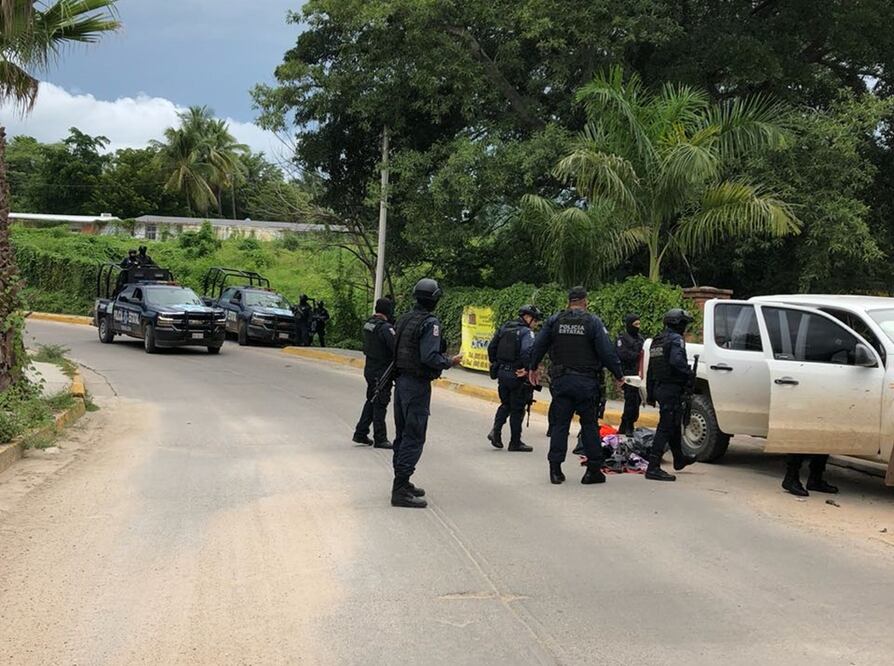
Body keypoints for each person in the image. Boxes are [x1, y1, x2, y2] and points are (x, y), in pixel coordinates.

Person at [529, 286, 623, 486]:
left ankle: (555, 470)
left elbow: (538, 345)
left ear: (568, 301)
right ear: (585, 301)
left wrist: (532, 367)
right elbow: (606, 352)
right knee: (589, 425)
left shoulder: (555, 320)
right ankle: (593, 471)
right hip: (586, 383)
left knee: (560, 425)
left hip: (562, 382)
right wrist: (618, 375)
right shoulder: (593, 322)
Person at [391, 278, 463, 508]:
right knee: (414, 435)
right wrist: (450, 361)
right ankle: (400, 488)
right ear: (435, 300)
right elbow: (429, 357)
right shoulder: (430, 322)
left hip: (401, 382)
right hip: (416, 385)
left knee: (402, 434)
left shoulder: (405, 319)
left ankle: (402, 481)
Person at [644, 308, 699, 481]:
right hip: (671, 388)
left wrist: (651, 393)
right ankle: (653, 467)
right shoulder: (676, 339)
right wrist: (688, 375)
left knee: (674, 423)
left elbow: (651, 369)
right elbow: (677, 362)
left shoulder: (657, 341)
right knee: (666, 426)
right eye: (684, 324)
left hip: (660, 388)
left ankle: (679, 458)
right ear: (679, 324)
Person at [487, 305, 542, 452]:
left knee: (505, 404)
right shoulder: (526, 332)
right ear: (528, 317)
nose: (535, 324)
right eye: (535, 320)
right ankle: (515, 442)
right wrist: (528, 369)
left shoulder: (504, 328)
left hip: (502, 374)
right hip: (517, 375)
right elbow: (526, 352)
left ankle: (495, 432)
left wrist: (497, 364)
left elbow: (491, 348)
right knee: (517, 409)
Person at [353, 298, 396, 449]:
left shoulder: (369, 324)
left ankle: (361, 432)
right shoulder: (385, 328)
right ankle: (380, 438)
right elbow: (395, 347)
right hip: (381, 371)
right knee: (380, 403)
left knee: (372, 400)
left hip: (370, 368)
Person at [617, 313, 645, 435]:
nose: (638, 327)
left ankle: (624, 426)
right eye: (635, 324)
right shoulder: (622, 338)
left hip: (638, 375)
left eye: (639, 324)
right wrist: (636, 353)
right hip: (628, 375)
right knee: (630, 401)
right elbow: (622, 354)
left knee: (636, 401)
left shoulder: (640, 339)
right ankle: (628, 425)